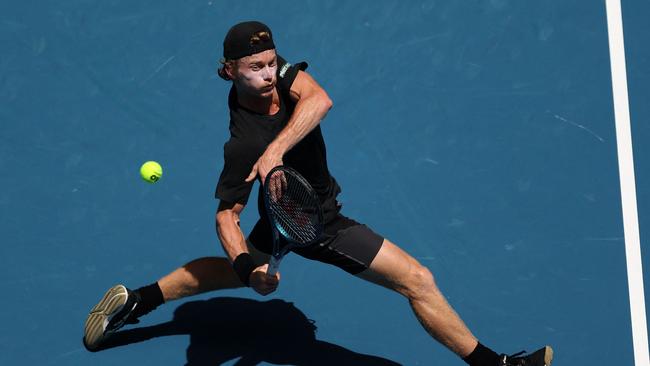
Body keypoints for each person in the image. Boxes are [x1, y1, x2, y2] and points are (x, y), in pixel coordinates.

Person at [83, 21, 553, 366]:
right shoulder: (243, 147)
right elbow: (227, 218)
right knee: (418, 280)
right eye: (255, 68)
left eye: (271, 63)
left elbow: (319, 99)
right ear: (229, 72)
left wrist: (278, 153)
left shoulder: (276, 75)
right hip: (317, 222)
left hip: (286, 204)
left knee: (230, 270)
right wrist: (250, 271)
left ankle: (139, 299)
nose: (269, 74)